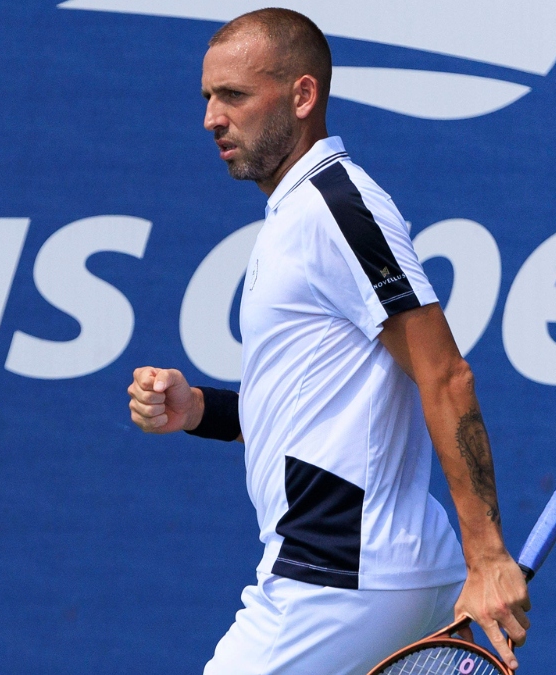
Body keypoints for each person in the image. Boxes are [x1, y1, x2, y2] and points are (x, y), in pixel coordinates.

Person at [127, 9, 530, 674]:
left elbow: (445, 373)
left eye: (234, 96)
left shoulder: (334, 207)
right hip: (367, 561)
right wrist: (199, 409)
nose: (211, 118)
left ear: (302, 95)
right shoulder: (297, 216)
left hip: (340, 566)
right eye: (207, 98)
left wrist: (488, 555)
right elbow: (319, 412)